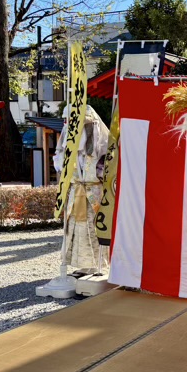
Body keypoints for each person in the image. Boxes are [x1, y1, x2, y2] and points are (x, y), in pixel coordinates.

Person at [53, 105, 109, 272]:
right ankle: (81, 265)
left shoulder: (101, 146)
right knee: (76, 228)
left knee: (93, 228)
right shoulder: (69, 150)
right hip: (76, 191)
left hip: (94, 194)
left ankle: (97, 265)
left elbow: (107, 168)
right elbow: (60, 162)